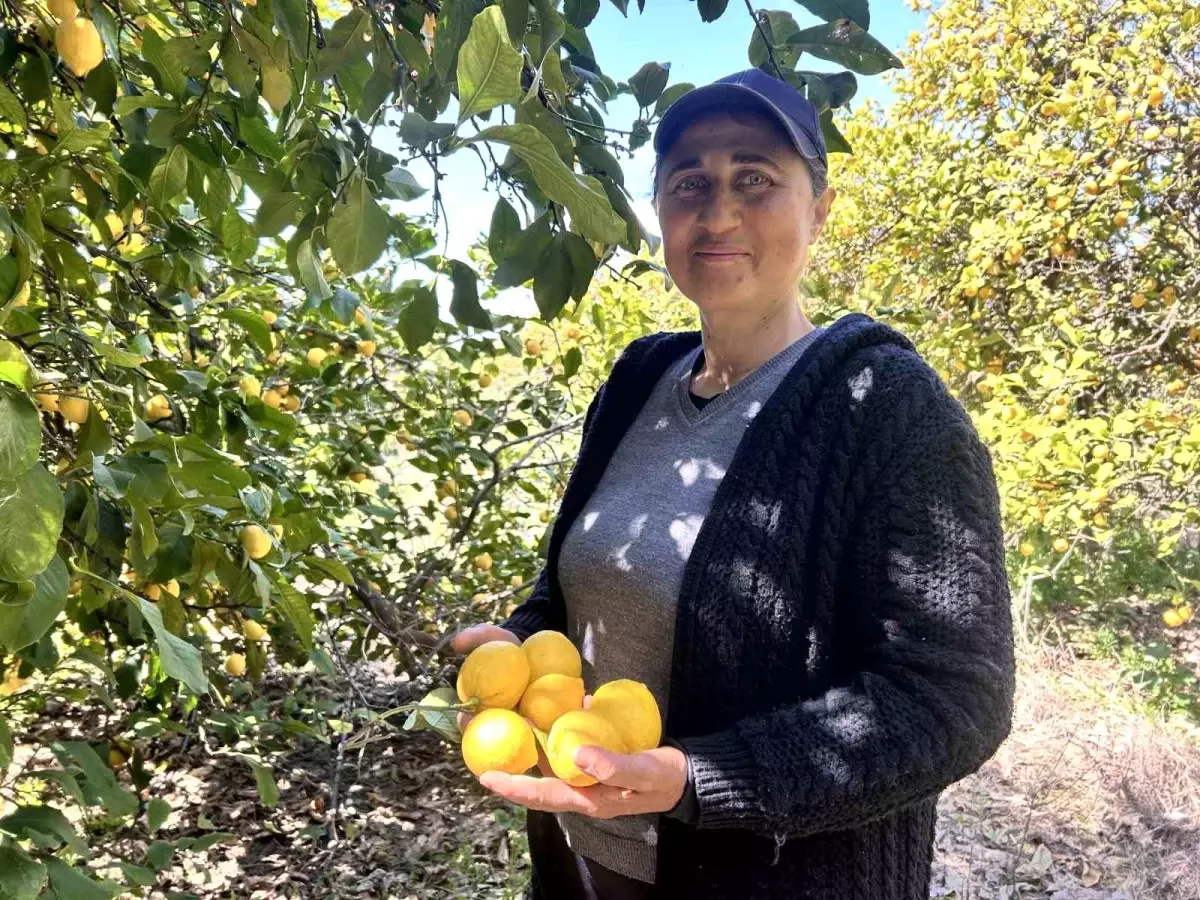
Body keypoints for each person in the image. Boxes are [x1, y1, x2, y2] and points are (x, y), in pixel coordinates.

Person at [451, 68, 1015, 899]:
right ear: (662, 214)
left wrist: (699, 777)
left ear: (819, 208)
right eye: (690, 183)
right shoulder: (638, 380)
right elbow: (569, 597)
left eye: (755, 177)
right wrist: (519, 645)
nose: (717, 212)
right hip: (581, 859)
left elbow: (954, 699)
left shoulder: (885, 407)